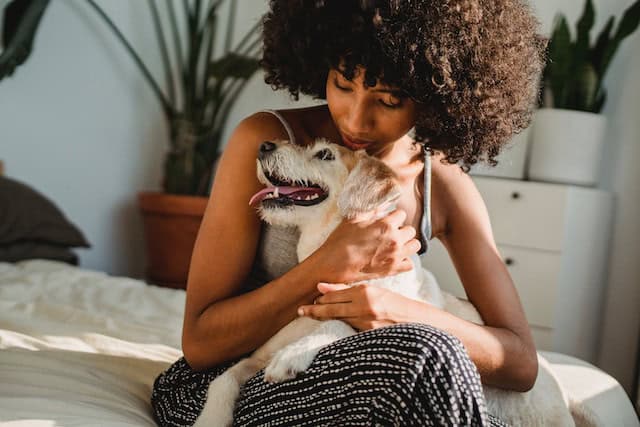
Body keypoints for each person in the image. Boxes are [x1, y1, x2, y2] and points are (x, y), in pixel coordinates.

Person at [151, 0, 546, 425]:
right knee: (423, 361)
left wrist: (396, 312)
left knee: (431, 357)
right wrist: (330, 264)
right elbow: (200, 343)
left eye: (389, 100)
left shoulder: (440, 183)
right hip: (233, 384)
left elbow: (520, 363)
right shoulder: (270, 143)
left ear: (436, 99)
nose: (356, 120)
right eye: (342, 84)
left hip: (371, 378)